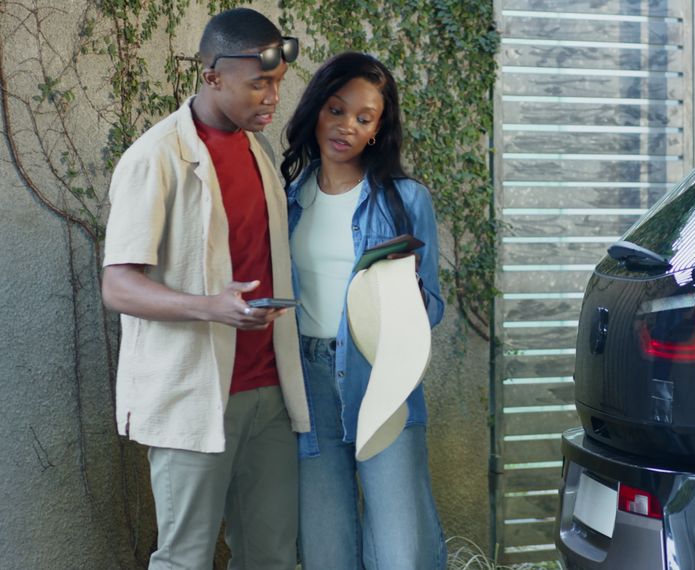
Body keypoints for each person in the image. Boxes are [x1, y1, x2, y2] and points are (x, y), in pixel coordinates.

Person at [99, 8, 309, 569]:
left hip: (269, 396)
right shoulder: (154, 158)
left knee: (272, 558)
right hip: (195, 398)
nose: (271, 98)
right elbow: (118, 287)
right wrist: (209, 308)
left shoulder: (257, 152)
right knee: (185, 559)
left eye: (277, 84)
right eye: (258, 83)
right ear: (212, 76)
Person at [281, 51, 447, 569]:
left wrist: (404, 295)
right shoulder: (288, 199)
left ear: (377, 129)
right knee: (326, 546)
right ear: (316, 111)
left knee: (401, 549)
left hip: (381, 376)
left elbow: (434, 306)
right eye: (336, 109)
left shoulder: (406, 199)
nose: (346, 126)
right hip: (308, 384)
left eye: (363, 117)